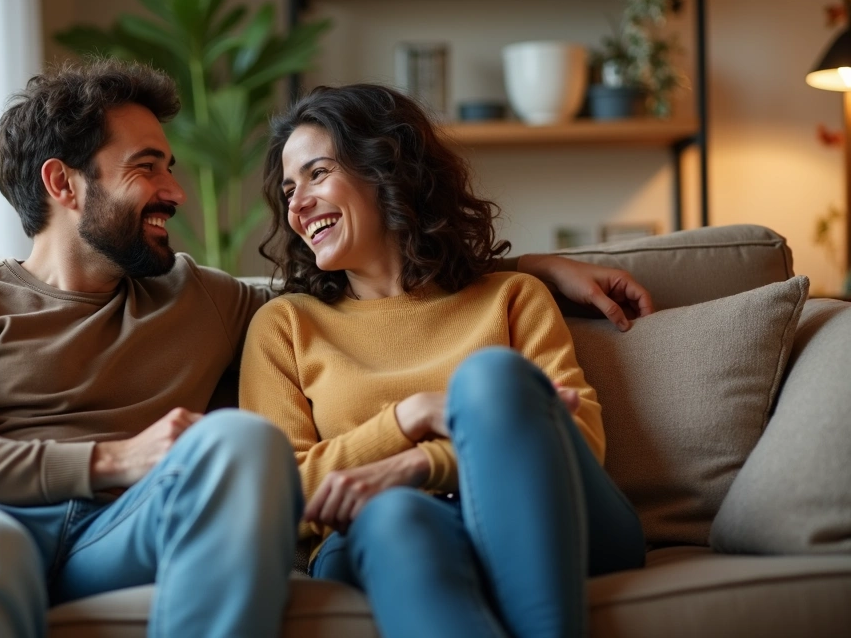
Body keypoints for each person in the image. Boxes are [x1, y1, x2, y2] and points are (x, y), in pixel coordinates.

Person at [0, 59, 648, 638]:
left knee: (245, 440)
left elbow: (397, 296)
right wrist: (113, 459)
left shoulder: (200, 299)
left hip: (110, 533)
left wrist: (528, 268)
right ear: (63, 185)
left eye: (169, 168)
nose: (176, 192)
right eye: (148, 169)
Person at [239, 83, 649, 638]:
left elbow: (579, 441)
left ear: (386, 168)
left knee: (492, 376)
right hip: (385, 534)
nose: (296, 205)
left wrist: (420, 464)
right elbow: (277, 494)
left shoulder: (512, 297)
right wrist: (404, 421)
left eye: (318, 173)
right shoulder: (286, 326)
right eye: (289, 189)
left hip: (551, 512)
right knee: (392, 513)